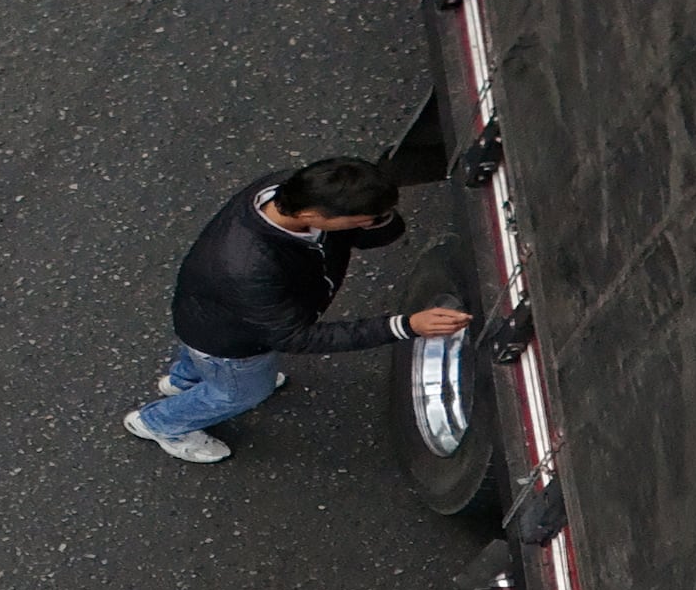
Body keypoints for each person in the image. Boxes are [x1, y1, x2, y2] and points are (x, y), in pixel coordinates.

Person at [128, 156, 473, 468]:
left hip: (208, 319)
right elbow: (296, 336)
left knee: (204, 362)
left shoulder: (294, 191)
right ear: (313, 217)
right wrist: (404, 326)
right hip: (233, 343)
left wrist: (376, 220)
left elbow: (375, 235)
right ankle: (162, 424)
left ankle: (184, 382)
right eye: (361, 219)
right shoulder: (249, 268)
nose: (368, 223)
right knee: (241, 392)